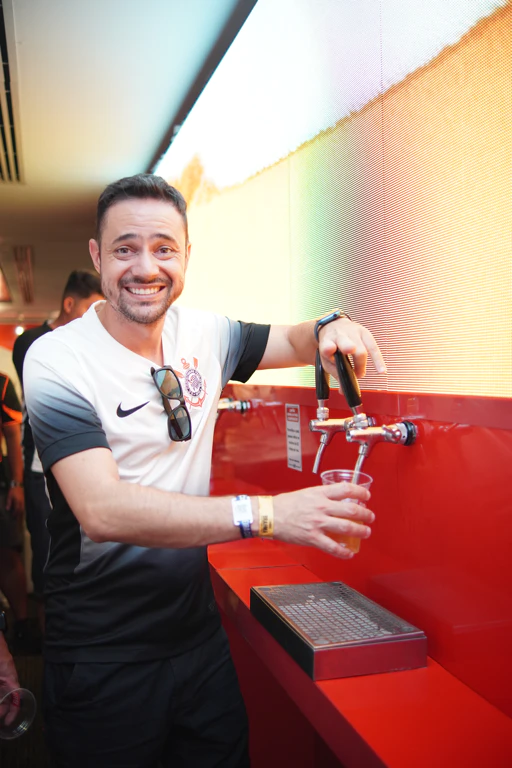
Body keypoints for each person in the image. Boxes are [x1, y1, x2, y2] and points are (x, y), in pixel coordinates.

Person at [23, 174, 386, 768]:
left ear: (187, 256)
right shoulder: (57, 359)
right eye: (125, 248)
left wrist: (330, 326)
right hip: (102, 655)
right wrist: (269, 515)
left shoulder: (207, 335)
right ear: (97, 255)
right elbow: (102, 509)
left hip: (198, 640)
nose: (146, 267)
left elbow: (295, 340)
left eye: (163, 248)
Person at [12, 271, 103, 631]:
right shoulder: (33, 343)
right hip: (39, 468)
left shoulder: (89, 345)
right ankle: (48, 637)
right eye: (91, 309)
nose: (96, 319)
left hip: (82, 464)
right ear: (69, 304)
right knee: (47, 549)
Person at [0, 371, 30, 652]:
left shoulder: (2, 382)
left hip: (1, 481)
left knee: (7, 554)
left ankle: (22, 625)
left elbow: (12, 434)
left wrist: (17, 484)